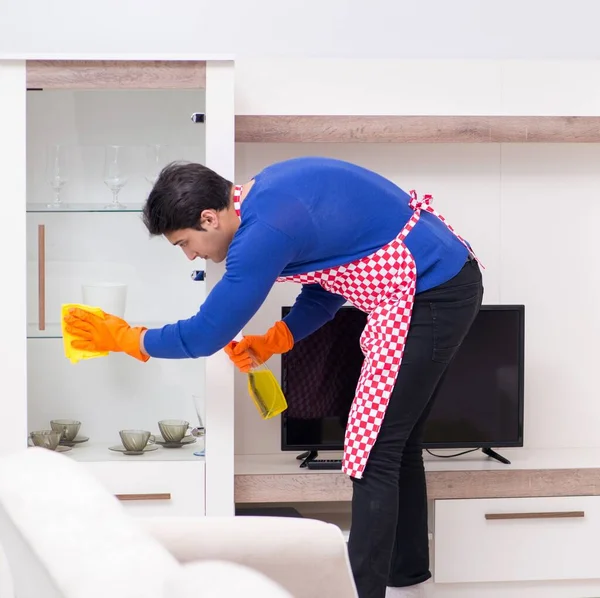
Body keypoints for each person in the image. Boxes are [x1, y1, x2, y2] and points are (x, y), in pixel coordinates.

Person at [64, 156, 484, 598]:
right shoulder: (266, 200)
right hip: (440, 281)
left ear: (209, 217)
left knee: (372, 449)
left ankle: (364, 592)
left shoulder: (264, 231)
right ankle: (407, 577)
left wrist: (129, 338)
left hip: (431, 291)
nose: (190, 255)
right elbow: (330, 282)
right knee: (395, 444)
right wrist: (276, 338)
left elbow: (204, 335)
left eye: (185, 243)